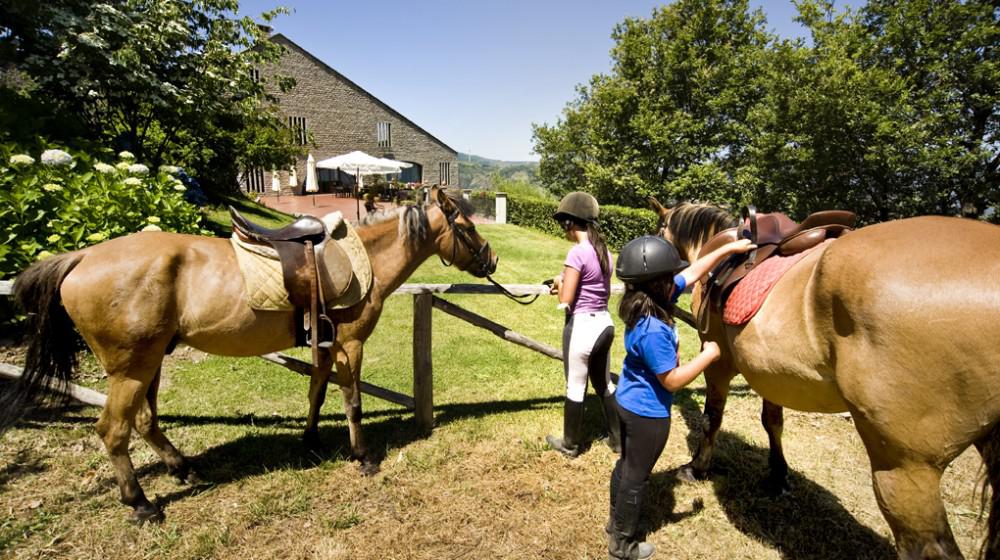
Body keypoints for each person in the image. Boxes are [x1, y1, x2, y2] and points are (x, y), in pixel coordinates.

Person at [607, 234, 754, 560]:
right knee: (636, 476)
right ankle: (622, 545)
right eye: (667, 275)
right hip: (648, 415)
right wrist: (709, 354)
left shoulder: (643, 302)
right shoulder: (654, 329)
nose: (677, 280)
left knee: (626, 466)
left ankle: (614, 523)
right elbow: (671, 380)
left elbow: (691, 272)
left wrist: (729, 248)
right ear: (656, 282)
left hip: (628, 402)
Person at [545, 191, 619, 458]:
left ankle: (571, 445)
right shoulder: (605, 252)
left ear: (570, 222)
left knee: (575, 386)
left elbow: (566, 300)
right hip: (605, 325)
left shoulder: (577, 252)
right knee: (605, 384)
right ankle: (618, 440)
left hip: (583, 328)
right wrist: (565, 279)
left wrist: (561, 283)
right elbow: (596, 287)